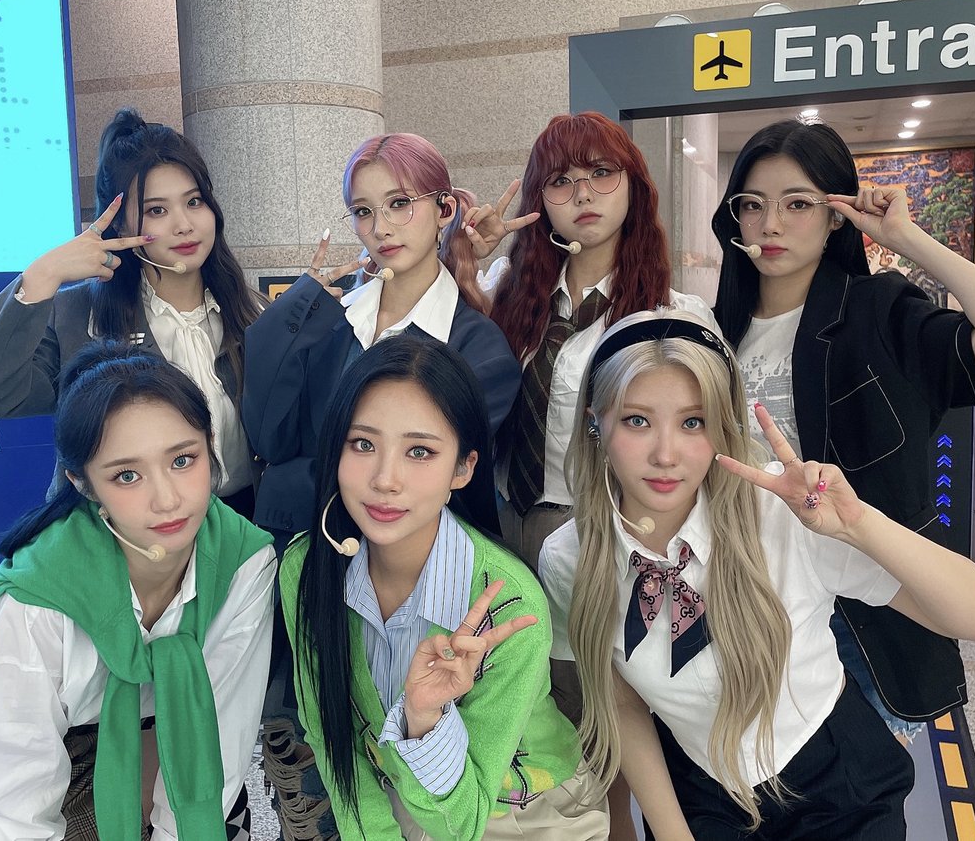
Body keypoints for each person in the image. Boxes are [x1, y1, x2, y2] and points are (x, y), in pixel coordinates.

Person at [540, 311, 975, 840]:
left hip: (837, 779)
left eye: (693, 422)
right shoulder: (569, 558)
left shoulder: (782, 510)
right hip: (699, 789)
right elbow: (621, 701)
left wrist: (858, 525)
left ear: (723, 426)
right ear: (595, 423)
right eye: (636, 421)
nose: (666, 455)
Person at [710, 119, 975, 737]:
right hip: (751, 599)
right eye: (752, 205)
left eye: (797, 204)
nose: (771, 225)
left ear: (836, 217)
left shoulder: (878, 311)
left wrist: (904, 237)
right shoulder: (714, 330)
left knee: (866, 785)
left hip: (868, 612)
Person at [0, 343, 277, 841]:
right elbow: (14, 796)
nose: (168, 499)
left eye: (182, 459)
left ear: (210, 447)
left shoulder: (244, 559)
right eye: (127, 475)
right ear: (83, 483)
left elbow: (221, 729)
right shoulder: (38, 599)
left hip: (110, 722)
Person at [241, 132, 522, 839]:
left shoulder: (475, 345)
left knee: (401, 744)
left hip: (411, 581)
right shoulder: (333, 318)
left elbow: (427, 483)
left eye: (400, 203)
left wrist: (307, 474)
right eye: (363, 211)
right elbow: (268, 433)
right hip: (312, 565)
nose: (381, 226)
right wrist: (303, 300)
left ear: (445, 209)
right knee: (305, 738)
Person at [280, 334, 609, 840]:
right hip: (403, 794)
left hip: (526, 812)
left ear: (463, 468)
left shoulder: (508, 605)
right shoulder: (308, 567)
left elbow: (462, 823)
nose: (385, 479)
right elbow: (330, 735)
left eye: (420, 451)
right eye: (363, 444)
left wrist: (424, 721)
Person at [0, 108, 267, 515]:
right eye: (157, 210)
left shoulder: (254, 311)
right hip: (125, 530)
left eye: (194, 201)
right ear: (119, 224)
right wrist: (42, 275)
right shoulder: (76, 316)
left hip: (244, 526)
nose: (184, 225)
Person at [479, 111, 718, 568]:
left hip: (602, 525)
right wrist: (461, 259)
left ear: (633, 185)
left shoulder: (671, 316)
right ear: (540, 199)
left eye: (602, 172)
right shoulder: (504, 293)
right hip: (501, 518)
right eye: (560, 180)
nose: (583, 194)